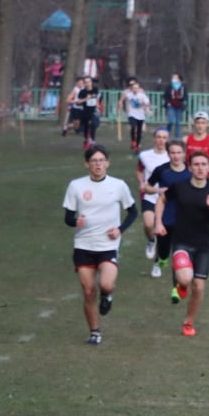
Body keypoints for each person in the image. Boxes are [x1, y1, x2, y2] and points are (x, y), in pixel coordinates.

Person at [63, 145, 139, 346]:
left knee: (105, 284)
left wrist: (119, 230)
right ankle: (94, 332)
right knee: (88, 291)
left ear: (108, 163)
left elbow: (132, 212)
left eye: (101, 160)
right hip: (83, 245)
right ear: (87, 164)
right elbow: (68, 217)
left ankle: (108, 295)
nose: (98, 164)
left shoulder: (118, 185)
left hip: (108, 245)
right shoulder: (76, 186)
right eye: (94, 161)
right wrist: (75, 222)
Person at [154, 148, 209, 338]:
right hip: (181, 242)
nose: (200, 168)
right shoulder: (180, 187)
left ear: (208, 169)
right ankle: (180, 284)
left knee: (199, 287)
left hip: (204, 246)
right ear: (190, 167)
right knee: (186, 279)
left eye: (204, 164)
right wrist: (158, 222)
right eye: (196, 164)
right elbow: (161, 200)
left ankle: (188, 322)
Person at [144, 136, 190, 291]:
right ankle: (159, 260)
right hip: (165, 217)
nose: (176, 156)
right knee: (164, 252)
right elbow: (147, 187)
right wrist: (158, 190)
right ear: (168, 154)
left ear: (184, 153)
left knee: (179, 253)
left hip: (184, 219)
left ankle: (176, 289)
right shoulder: (162, 170)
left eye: (179, 152)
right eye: (172, 153)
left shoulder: (192, 170)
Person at [135, 128, 172, 270]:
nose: (161, 140)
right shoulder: (144, 156)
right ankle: (151, 241)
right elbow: (139, 171)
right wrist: (142, 182)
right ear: (154, 139)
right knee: (148, 224)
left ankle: (157, 263)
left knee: (162, 231)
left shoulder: (172, 157)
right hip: (149, 195)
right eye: (159, 137)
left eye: (164, 137)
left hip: (166, 199)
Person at [164, 74, 187, 139]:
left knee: (178, 122)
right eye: (173, 77)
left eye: (175, 78)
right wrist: (167, 102)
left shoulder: (183, 86)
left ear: (179, 79)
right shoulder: (169, 86)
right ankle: (166, 133)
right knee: (170, 121)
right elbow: (165, 95)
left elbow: (185, 96)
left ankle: (177, 137)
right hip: (171, 105)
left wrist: (182, 100)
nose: (173, 79)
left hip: (179, 106)